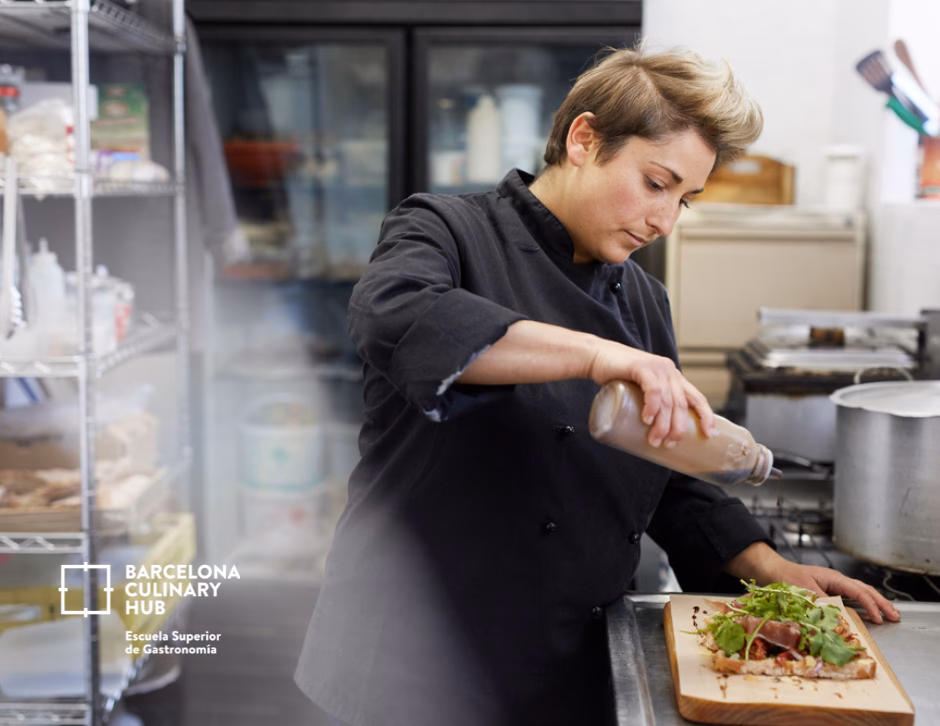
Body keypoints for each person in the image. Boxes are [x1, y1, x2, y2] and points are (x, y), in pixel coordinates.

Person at [295, 44, 899, 726]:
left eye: (685, 199)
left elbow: (668, 468)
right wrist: (597, 356)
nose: (665, 221)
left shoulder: (643, 300)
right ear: (583, 139)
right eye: (656, 182)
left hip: (572, 659)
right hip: (418, 659)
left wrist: (771, 567)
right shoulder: (447, 230)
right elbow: (398, 314)